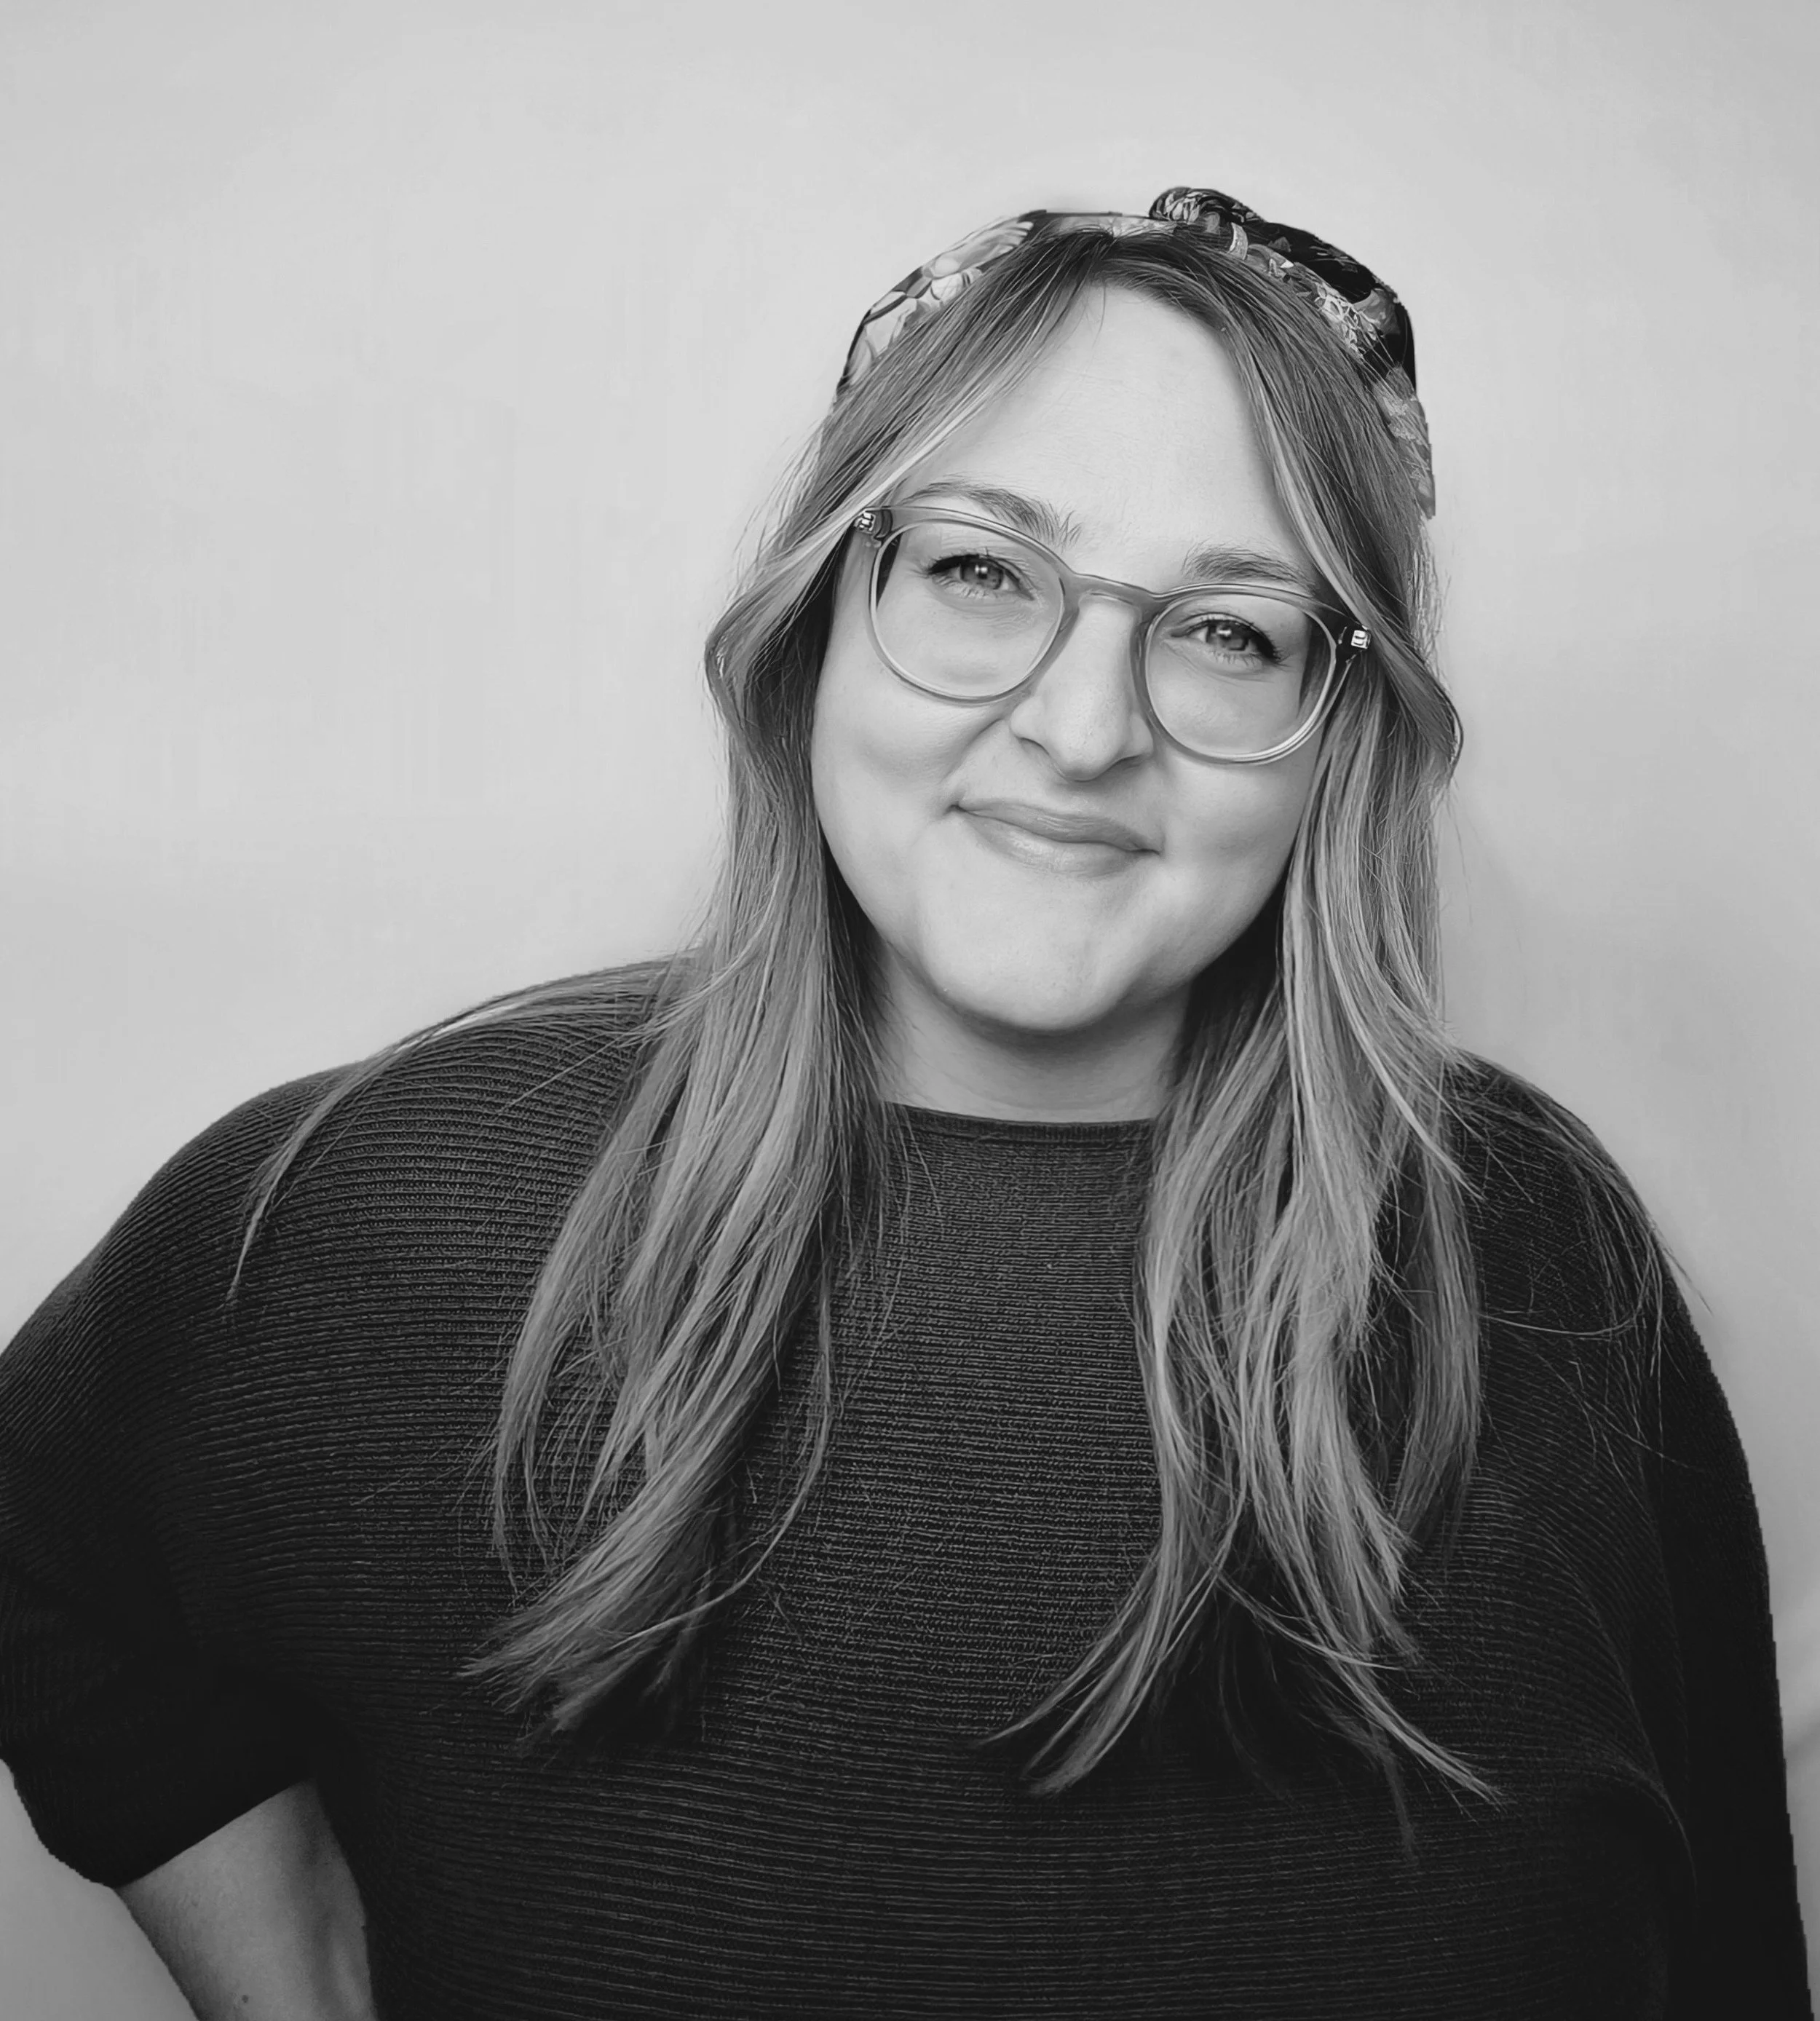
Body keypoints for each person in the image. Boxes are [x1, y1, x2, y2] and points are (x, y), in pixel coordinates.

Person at [0, 186, 1810, 2020]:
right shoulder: (388, 1213)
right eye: (978, 571)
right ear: (821, 616)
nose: (1082, 729)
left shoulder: (1538, 1252)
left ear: (1334, 732)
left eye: (1227, 630)